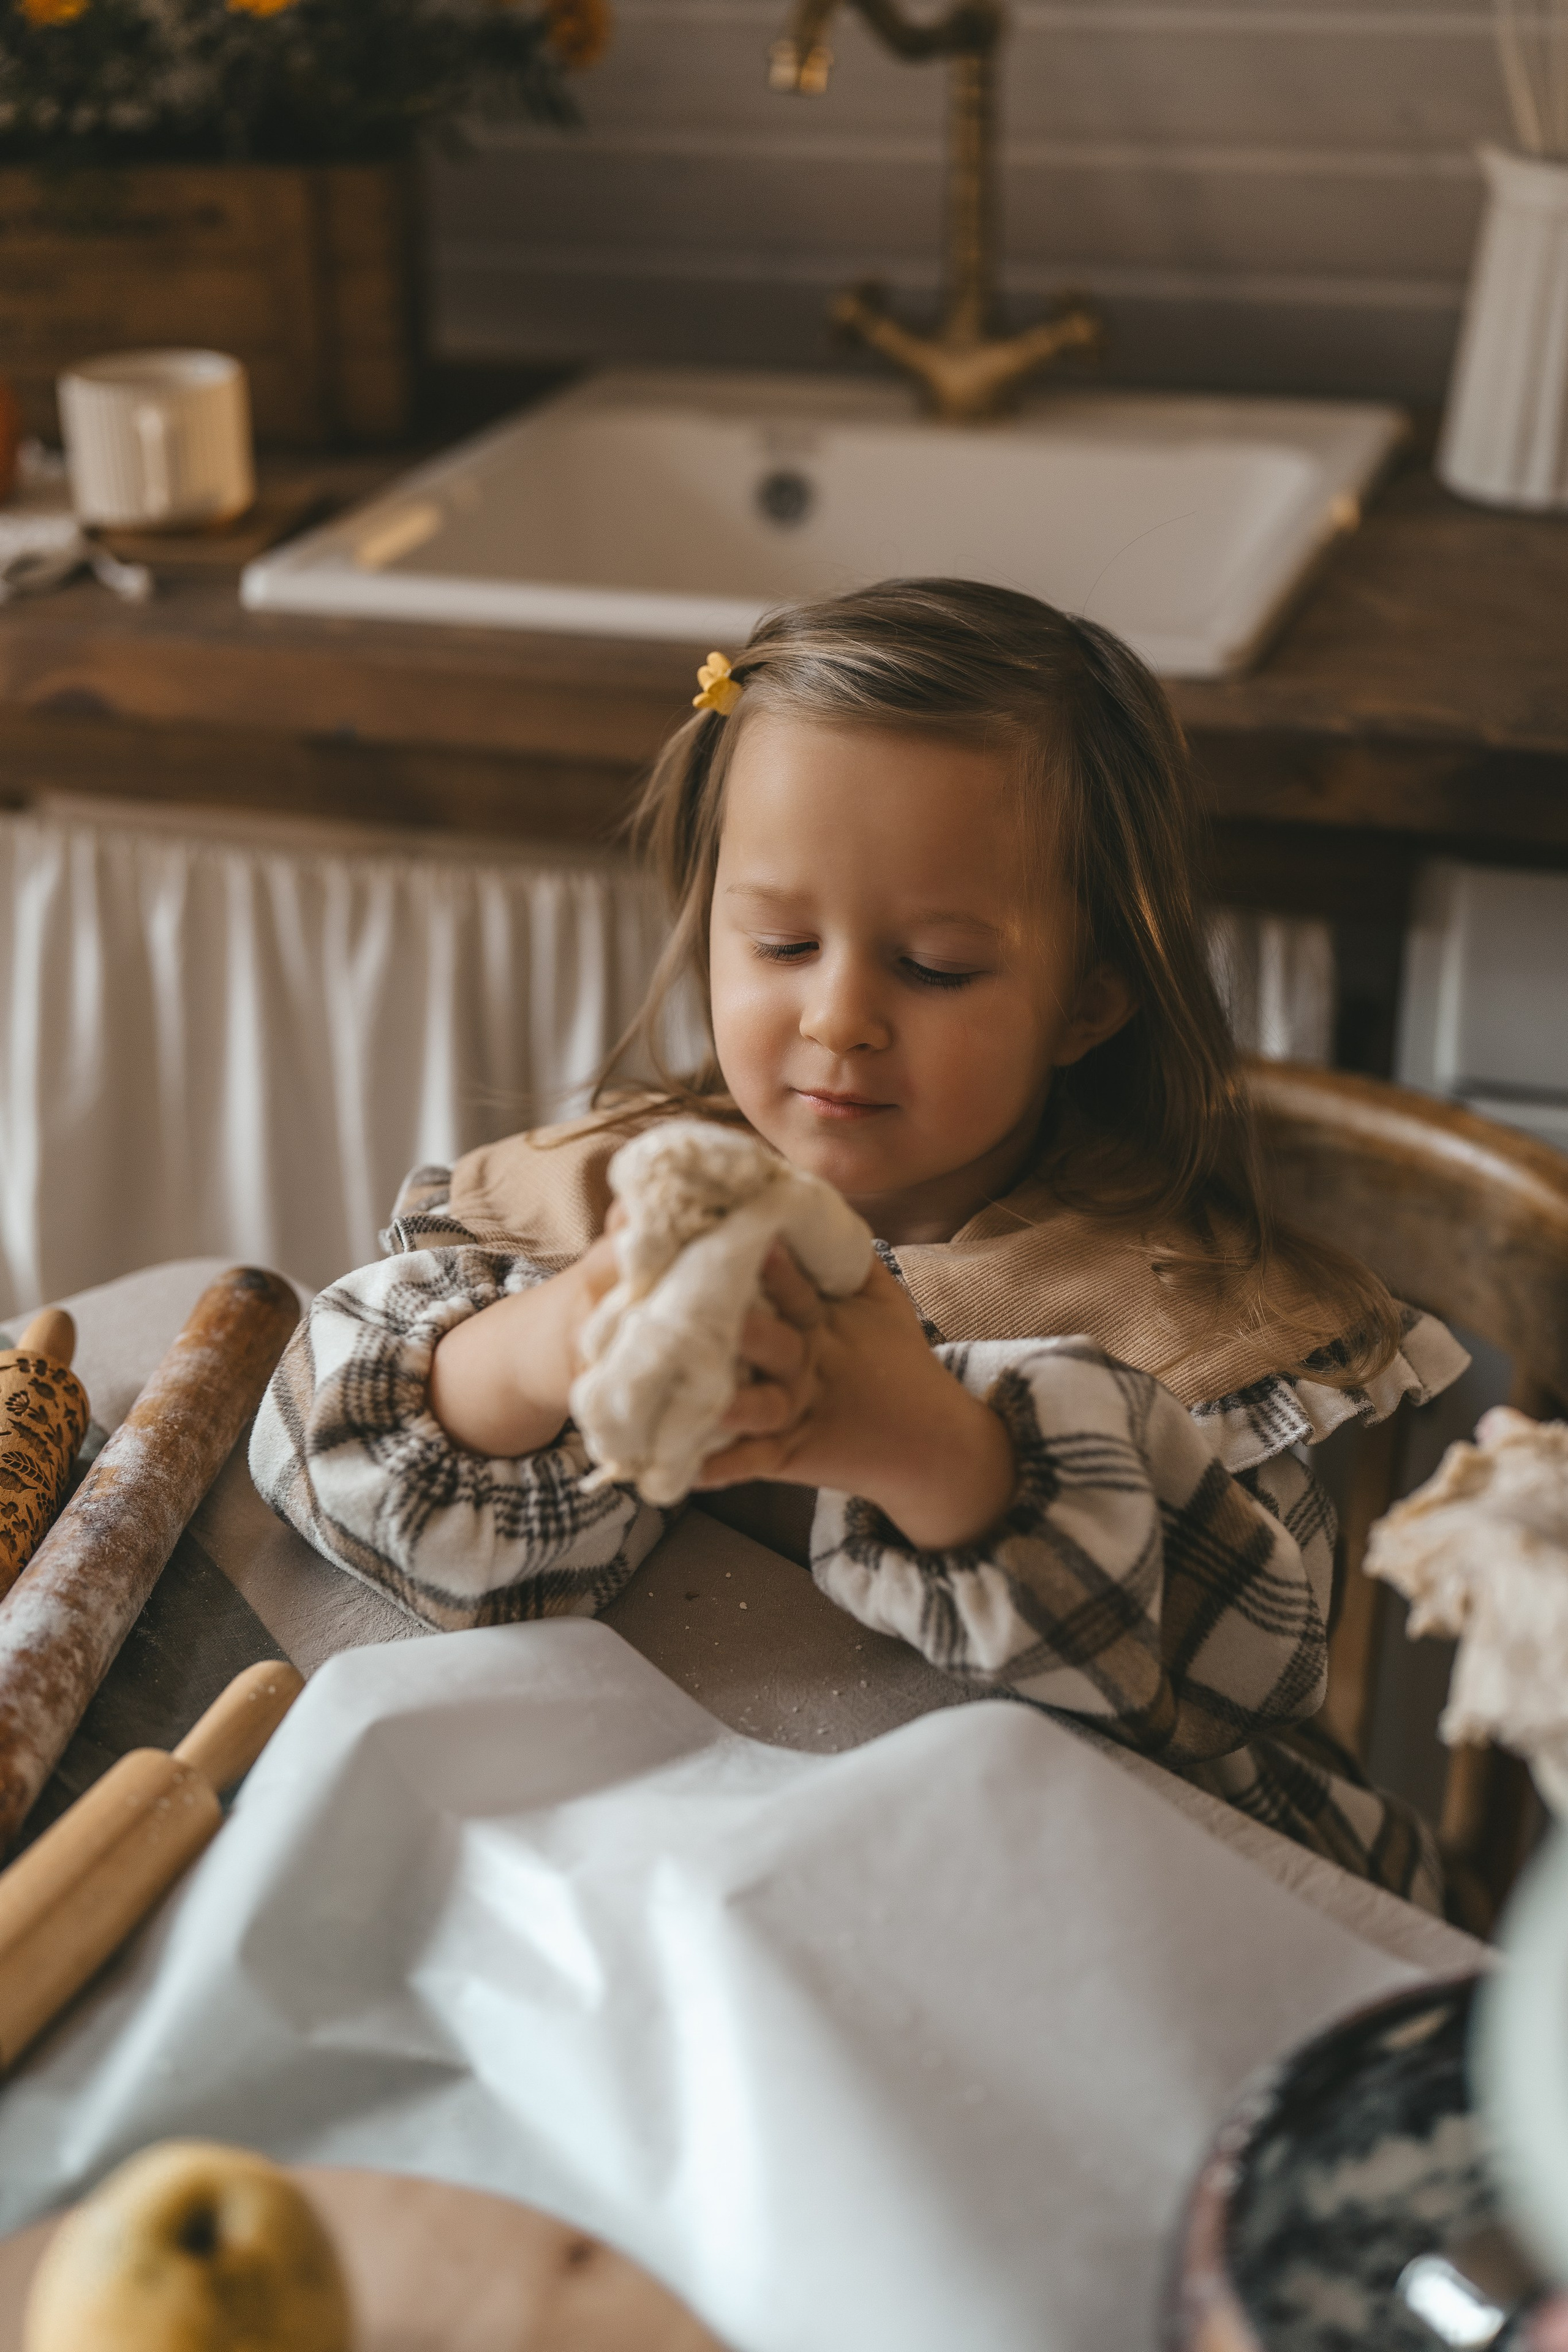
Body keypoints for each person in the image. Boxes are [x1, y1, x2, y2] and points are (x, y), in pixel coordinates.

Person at [252, 580, 1466, 1910]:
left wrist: (928, 1445)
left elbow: (1252, 1664)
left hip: (1065, 1915)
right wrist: (555, 1341)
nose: (837, 1018)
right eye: (779, 942)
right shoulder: (588, 1201)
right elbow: (324, 1441)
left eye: (937, 966)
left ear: (1089, 998)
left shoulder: (1190, 1321)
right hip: (669, 1870)